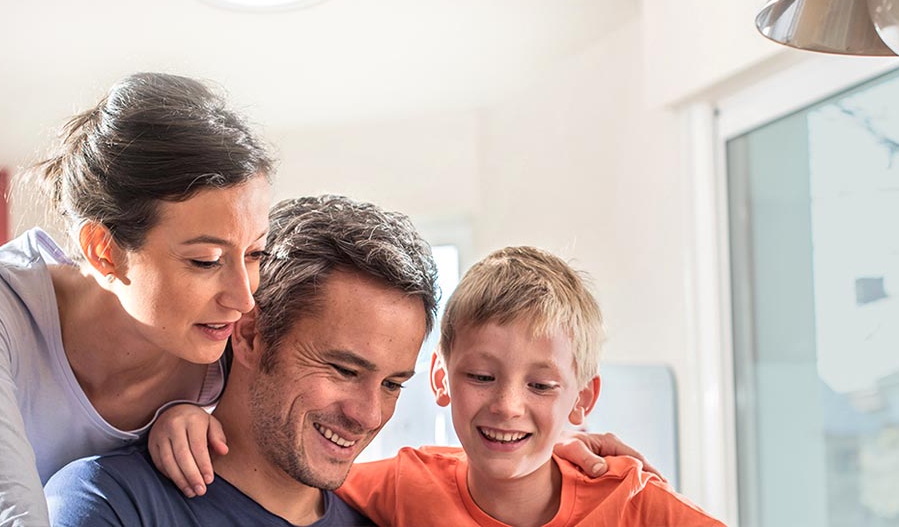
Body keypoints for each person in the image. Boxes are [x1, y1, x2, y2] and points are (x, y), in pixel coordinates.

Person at [44, 197, 656, 527]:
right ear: (251, 335)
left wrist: (563, 467)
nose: (368, 414)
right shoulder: (112, 503)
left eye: (393, 383)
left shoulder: (380, 522)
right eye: (342, 369)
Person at [0, 73, 277, 526]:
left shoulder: (222, 354)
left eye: (255, 252)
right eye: (204, 260)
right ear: (104, 250)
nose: (243, 299)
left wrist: (189, 413)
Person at [335, 246, 722, 526]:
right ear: (441, 377)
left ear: (581, 399)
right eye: (482, 377)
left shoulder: (633, 502)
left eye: (541, 385)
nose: (508, 406)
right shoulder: (405, 486)